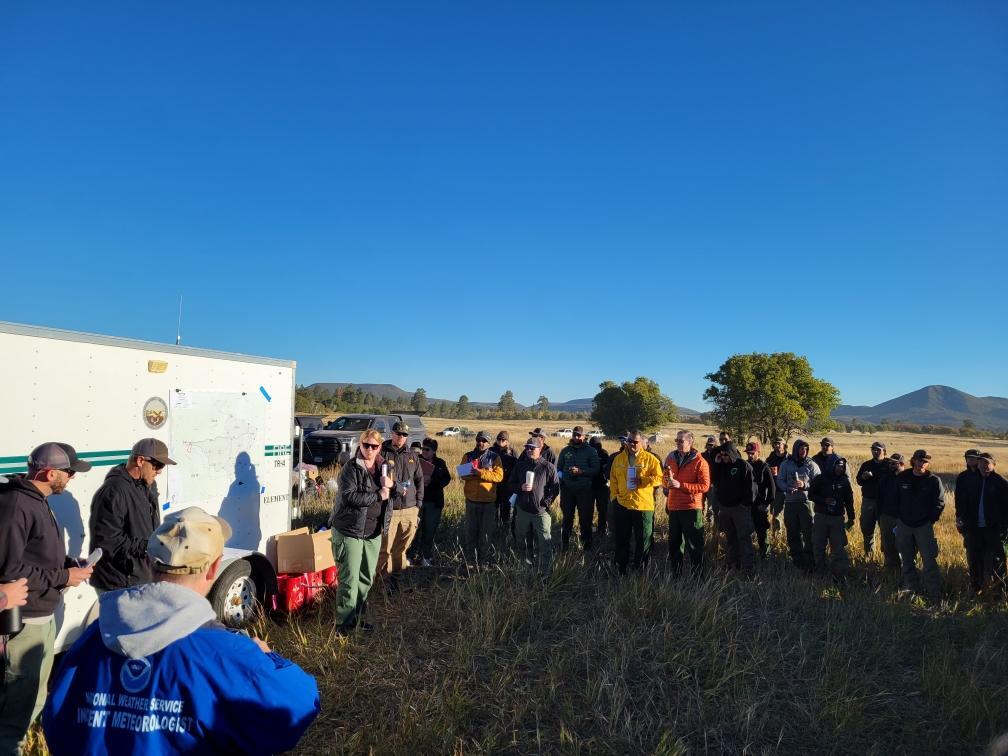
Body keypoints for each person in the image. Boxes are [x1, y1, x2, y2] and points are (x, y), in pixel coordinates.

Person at [42, 507, 319, 754]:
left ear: (151, 563)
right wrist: (267, 657)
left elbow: (56, 722)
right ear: (213, 569)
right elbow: (298, 706)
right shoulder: (228, 653)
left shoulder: (94, 637)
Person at [0, 443, 94, 753]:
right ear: (50, 473)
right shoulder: (17, 506)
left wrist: (67, 563)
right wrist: (64, 577)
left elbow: (36, 554)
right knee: (13, 709)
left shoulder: (37, 500)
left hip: (43, 616)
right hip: (25, 623)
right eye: (68, 472)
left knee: (35, 697)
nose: (71, 478)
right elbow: (10, 571)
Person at [88, 438, 176, 593]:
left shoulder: (148, 484)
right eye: (157, 465)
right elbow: (108, 542)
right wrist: (150, 546)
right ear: (140, 460)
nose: (160, 471)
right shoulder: (114, 491)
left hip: (141, 576)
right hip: (118, 583)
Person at [329, 429, 394, 632]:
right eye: (366, 445)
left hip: (373, 531)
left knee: (366, 577)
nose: (369, 450)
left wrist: (393, 487)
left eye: (374, 446)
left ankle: (357, 617)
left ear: (380, 447)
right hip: (349, 531)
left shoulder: (384, 467)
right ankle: (344, 623)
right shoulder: (351, 468)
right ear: (360, 445)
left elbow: (396, 491)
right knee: (350, 579)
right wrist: (379, 495)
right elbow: (349, 496)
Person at [377, 422, 424, 587]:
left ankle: (397, 583)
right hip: (390, 509)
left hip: (410, 509)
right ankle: (382, 585)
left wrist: (418, 505)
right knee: (385, 550)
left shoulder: (412, 455)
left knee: (401, 550)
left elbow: (419, 480)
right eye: (398, 434)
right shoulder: (381, 452)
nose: (401, 437)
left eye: (404, 435)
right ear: (392, 433)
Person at [608, 431, 663, 574]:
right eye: (630, 441)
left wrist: (643, 481)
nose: (632, 444)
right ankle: (621, 568)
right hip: (622, 505)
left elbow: (659, 478)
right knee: (621, 538)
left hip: (643, 506)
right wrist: (614, 497)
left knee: (643, 540)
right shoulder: (619, 459)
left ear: (641, 442)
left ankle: (640, 570)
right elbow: (613, 479)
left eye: (636, 442)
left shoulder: (651, 459)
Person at [894, 449, 945, 600]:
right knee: (907, 559)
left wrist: (930, 520)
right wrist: (899, 518)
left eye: (925, 461)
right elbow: (895, 498)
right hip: (904, 524)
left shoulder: (933, 480)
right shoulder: (902, 477)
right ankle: (911, 589)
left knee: (929, 559)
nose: (922, 463)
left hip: (923, 525)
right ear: (913, 460)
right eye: (920, 460)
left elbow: (940, 503)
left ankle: (934, 593)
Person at [956, 452, 1008, 595]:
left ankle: (999, 591)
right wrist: (960, 518)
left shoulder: (1001, 483)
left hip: (994, 529)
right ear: (977, 465)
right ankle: (976, 587)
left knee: (997, 561)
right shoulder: (971, 481)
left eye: (987, 463)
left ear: (994, 465)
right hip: (973, 528)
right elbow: (962, 502)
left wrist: (1004, 529)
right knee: (974, 559)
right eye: (981, 463)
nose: (984, 466)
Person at [508, 437, 560, 575]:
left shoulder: (547, 467)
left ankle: (545, 572)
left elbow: (555, 489)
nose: (529, 450)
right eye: (527, 447)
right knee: (523, 541)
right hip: (523, 511)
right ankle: (527, 568)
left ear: (540, 449)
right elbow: (510, 484)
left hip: (540, 513)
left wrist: (546, 502)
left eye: (532, 448)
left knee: (544, 543)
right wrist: (520, 487)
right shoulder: (520, 466)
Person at [663, 431, 710, 576]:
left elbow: (704, 486)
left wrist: (681, 485)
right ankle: (676, 575)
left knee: (694, 545)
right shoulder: (671, 458)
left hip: (691, 508)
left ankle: (698, 578)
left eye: (681, 441)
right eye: (676, 440)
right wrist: (666, 483)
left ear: (690, 442)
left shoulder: (700, 461)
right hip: (674, 507)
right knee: (675, 545)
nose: (677, 443)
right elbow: (664, 479)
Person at [461, 431, 504, 566]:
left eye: (484, 441)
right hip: (471, 500)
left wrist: (479, 473)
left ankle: (484, 560)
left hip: (488, 502)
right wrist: (480, 473)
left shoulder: (494, 457)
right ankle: (470, 560)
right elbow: (462, 474)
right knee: (470, 532)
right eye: (479, 440)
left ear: (489, 442)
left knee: (486, 534)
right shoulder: (468, 456)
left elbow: (498, 477)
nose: (481, 443)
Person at [711, 443, 756, 571]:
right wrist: (717, 463)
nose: (724, 457)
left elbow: (751, 488)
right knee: (730, 538)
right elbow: (714, 480)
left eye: (726, 454)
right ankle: (733, 564)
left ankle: (747, 566)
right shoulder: (721, 466)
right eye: (722, 454)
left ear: (731, 453)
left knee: (744, 537)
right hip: (725, 508)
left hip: (739, 508)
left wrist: (744, 504)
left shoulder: (743, 465)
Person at [776, 440, 821, 569]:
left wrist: (805, 485)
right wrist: (787, 488)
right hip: (790, 503)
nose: (804, 452)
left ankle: (810, 561)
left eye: (806, 449)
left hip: (806, 503)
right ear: (796, 449)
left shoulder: (811, 465)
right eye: (801, 449)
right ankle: (797, 560)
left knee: (809, 533)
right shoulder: (786, 464)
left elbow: (819, 483)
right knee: (792, 532)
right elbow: (780, 480)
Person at [809, 457, 855, 579]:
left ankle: (840, 574)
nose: (840, 469)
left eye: (842, 467)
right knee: (818, 546)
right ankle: (820, 572)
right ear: (831, 465)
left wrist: (851, 517)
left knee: (838, 547)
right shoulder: (820, 479)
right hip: (821, 517)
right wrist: (824, 501)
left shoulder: (844, 481)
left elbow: (849, 501)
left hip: (837, 519)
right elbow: (811, 494)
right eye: (837, 466)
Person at [556, 426, 600, 552]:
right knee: (567, 518)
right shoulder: (565, 451)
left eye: (579, 435)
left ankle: (586, 546)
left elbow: (596, 469)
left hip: (584, 490)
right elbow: (559, 467)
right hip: (567, 490)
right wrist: (562, 477)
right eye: (574, 435)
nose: (576, 437)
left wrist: (582, 471)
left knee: (585, 519)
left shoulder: (591, 451)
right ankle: (565, 545)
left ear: (584, 436)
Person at [414, 438, 451, 567]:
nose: (423, 451)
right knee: (414, 530)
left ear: (434, 451)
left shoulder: (440, 463)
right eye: (423, 448)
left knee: (429, 530)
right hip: (417, 501)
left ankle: (426, 556)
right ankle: (410, 556)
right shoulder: (415, 460)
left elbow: (447, 479)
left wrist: (432, 480)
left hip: (433, 502)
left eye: (427, 449)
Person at [855, 441, 889, 558]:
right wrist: (863, 477)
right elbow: (859, 481)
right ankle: (869, 555)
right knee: (866, 528)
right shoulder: (866, 464)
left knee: (885, 530)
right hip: (868, 500)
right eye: (873, 449)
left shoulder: (889, 464)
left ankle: (887, 557)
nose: (875, 451)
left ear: (884, 451)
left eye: (878, 449)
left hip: (885, 502)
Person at [745, 440, 776, 559]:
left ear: (758, 452)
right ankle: (749, 556)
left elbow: (772, 488)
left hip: (759, 505)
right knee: (746, 532)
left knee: (761, 532)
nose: (750, 455)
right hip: (747, 505)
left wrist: (766, 503)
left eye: (752, 453)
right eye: (748, 453)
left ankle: (765, 556)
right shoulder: (745, 465)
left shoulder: (764, 467)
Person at [876, 453, 907, 573]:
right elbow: (879, 498)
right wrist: (880, 515)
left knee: (904, 546)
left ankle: (906, 571)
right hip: (886, 517)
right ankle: (890, 572)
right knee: (888, 546)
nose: (890, 465)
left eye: (894, 463)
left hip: (903, 519)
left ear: (902, 464)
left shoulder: (908, 478)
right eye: (889, 463)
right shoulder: (885, 478)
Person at [491, 431, 518, 534]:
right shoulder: (491, 451)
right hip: (493, 485)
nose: (501, 442)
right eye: (499, 439)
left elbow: (516, 469)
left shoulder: (512, 452)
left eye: (503, 440)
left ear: (507, 441)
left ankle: (504, 531)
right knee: (493, 508)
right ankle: (493, 530)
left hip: (507, 486)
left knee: (505, 510)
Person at [588, 437, 610, 541]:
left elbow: (607, 468)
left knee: (602, 509)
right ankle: (590, 528)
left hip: (601, 485)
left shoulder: (604, 453)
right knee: (589, 510)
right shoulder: (587, 453)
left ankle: (601, 529)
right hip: (591, 486)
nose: (595, 448)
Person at [765, 438, 788, 534]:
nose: (777, 445)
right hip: (773, 490)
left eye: (779, 443)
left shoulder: (789, 459)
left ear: (784, 445)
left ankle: (778, 536)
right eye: (775, 443)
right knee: (773, 513)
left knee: (779, 515)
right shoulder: (770, 459)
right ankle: (774, 535)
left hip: (785, 490)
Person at [701, 435, 719, 523]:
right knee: (700, 505)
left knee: (711, 506)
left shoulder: (718, 456)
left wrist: (714, 482)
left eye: (712, 445)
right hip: (701, 484)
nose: (710, 446)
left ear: (715, 445)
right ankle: (700, 522)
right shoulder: (702, 455)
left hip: (712, 484)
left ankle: (709, 524)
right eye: (708, 444)